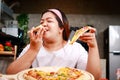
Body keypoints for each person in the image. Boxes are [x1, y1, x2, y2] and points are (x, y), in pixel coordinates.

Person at [6, 8, 101, 80]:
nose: (43, 24)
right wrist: (33, 50)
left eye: (49, 21)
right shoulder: (33, 46)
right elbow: (10, 74)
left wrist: (93, 47)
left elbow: (94, 77)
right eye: (41, 22)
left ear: (61, 28)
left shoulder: (75, 48)